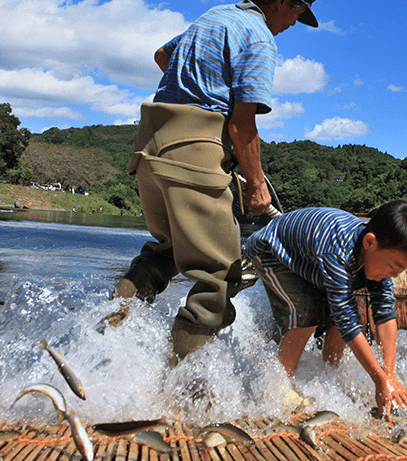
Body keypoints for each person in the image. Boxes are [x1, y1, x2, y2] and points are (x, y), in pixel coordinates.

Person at [111, 0, 320, 364]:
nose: (294, 24)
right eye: (298, 14)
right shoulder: (260, 38)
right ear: (287, 3)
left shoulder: (218, 15)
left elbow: (163, 55)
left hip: (151, 146)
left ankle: (104, 338)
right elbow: (242, 124)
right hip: (194, 150)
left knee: (171, 251)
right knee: (222, 275)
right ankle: (181, 393)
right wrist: (256, 184)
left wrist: (196, 87)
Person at [245, 200, 407, 419]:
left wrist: (389, 375)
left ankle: (328, 376)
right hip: (273, 252)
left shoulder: (377, 256)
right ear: (370, 242)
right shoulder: (338, 252)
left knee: (345, 318)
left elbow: (385, 314)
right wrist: (378, 378)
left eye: (402, 270)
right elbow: (347, 321)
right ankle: (276, 387)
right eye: (394, 267)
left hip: (311, 260)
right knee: (309, 314)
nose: (396, 275)